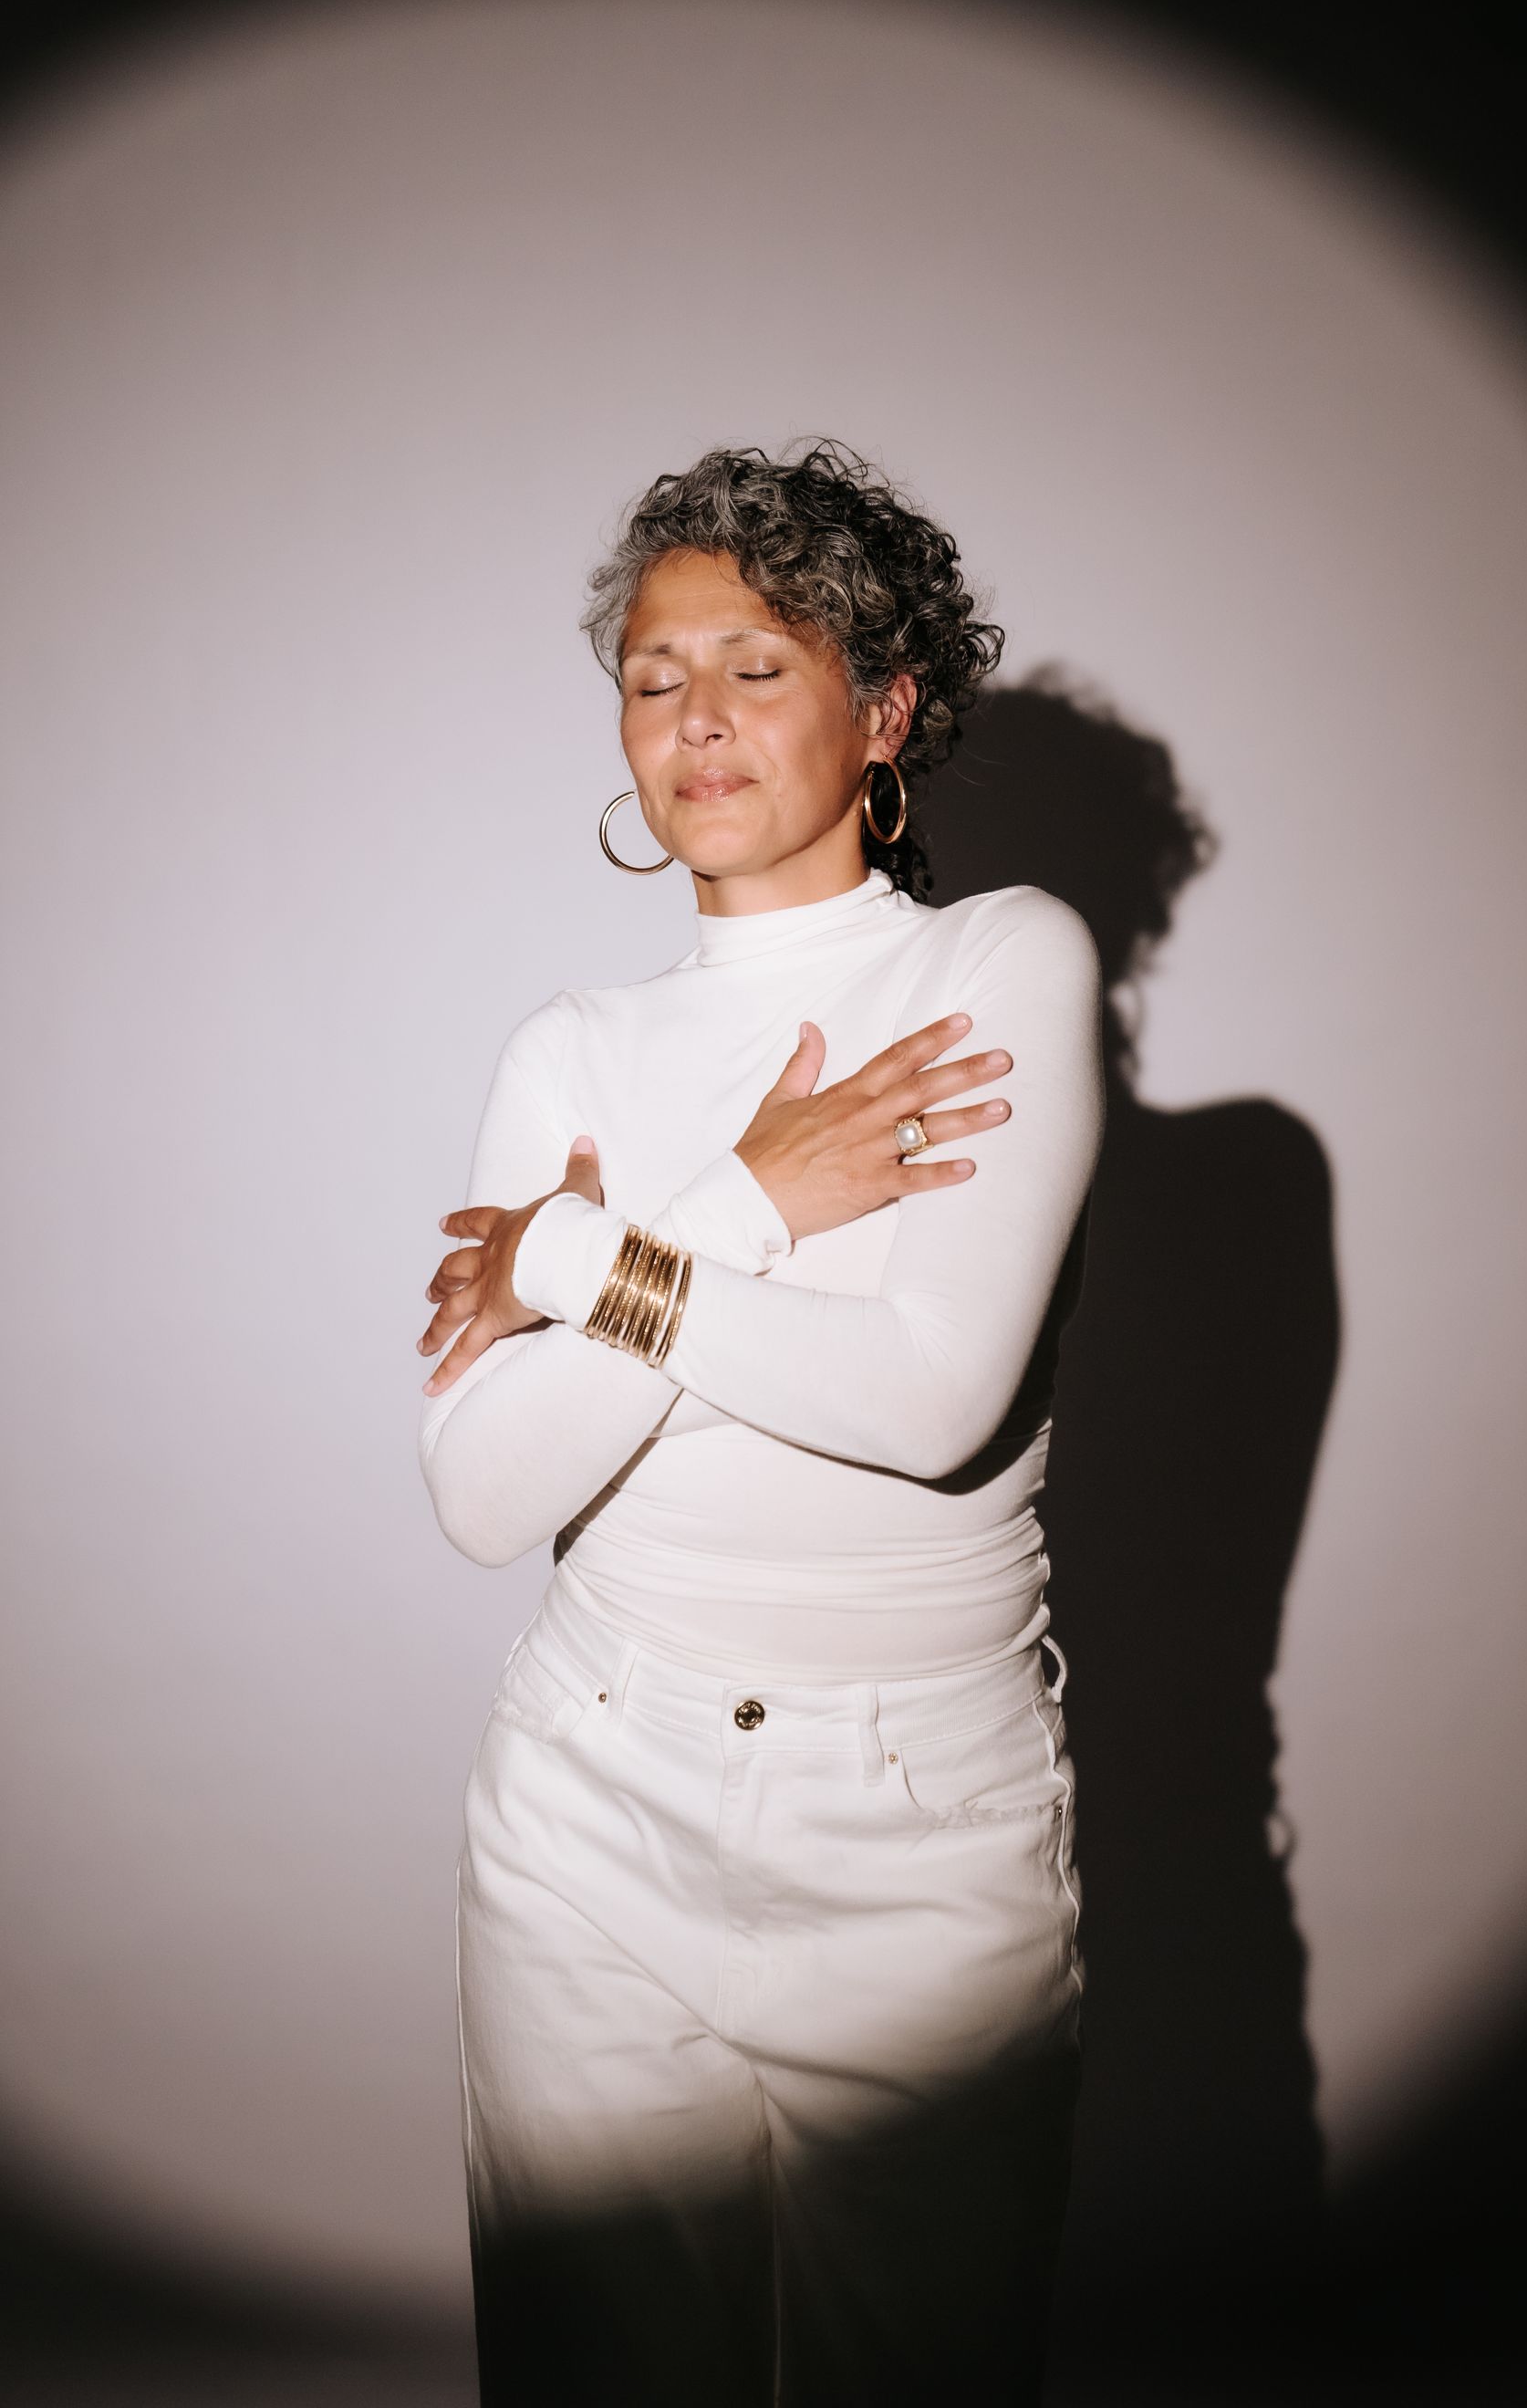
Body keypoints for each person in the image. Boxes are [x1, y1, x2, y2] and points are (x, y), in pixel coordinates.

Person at [415, 440, 1106, 2405]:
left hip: (917, 1837)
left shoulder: (994, 964)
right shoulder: (575, 1045)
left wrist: (577, 1265)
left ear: (885, 709)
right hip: (587, 1811)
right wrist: (737, 1206)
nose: (694, 717)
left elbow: (923, 1400)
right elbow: (482, 1492)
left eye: (756, 664)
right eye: (654, 674)